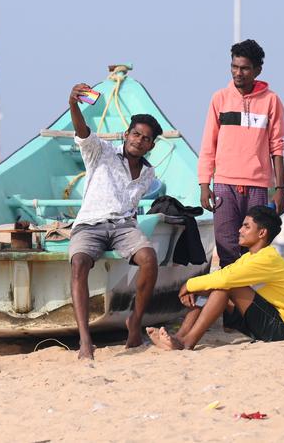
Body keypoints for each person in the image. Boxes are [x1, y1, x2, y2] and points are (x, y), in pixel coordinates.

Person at [66, 82, 162, 360]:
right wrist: (74, 104)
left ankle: (135, 321)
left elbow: (131, 207)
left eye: (145, 138)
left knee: (149, 258)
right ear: (126, 134)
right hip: (90, 224)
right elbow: (82, 131)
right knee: (79, 262)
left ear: (151, 145)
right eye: (135, 134)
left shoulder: (148, 173)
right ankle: (85, 341)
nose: (138, 140)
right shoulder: (101, 151)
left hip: (123, 227)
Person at [147, 205, 284, 350]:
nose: (240, 230)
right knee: (214, 285)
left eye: (246, 226)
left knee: (226, 286)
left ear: (262, 233)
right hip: (268, 321)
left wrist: (189, 284)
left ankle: (187, 342)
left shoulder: (267, 258)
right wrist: (196, 288)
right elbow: (222, 275)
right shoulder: (250, 257)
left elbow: (225, 279)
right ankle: (179, 338)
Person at [198, 39, 284, 267]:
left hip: (257, 187)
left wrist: (280, 189)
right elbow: (209, 143)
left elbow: (276, 146)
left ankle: (247, 302)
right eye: (234, 67)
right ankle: (230, 302)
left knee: (254, 251)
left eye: (245, 68)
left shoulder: (271, 101)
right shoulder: (220, 98)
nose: (238, 73)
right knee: (226, 248)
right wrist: (205, 184)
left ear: (257, 70)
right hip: (224, 185)